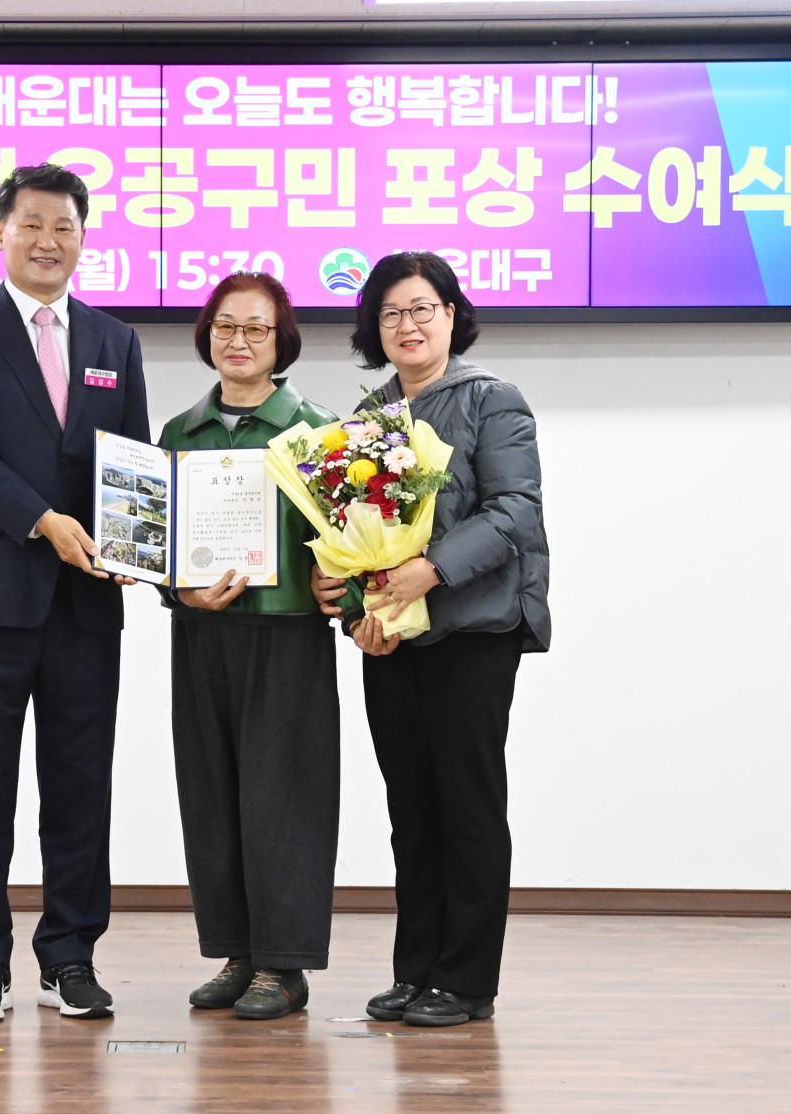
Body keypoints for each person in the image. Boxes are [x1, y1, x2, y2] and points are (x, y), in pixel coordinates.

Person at [0, 163, 150, 1025]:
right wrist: (45, 521)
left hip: (87, 601)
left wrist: (139, 546)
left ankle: (70, 958)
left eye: (65, 227)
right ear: (0, 232)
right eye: (32, 225)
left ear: (84, 239)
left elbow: (131, 459)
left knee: (81, 788)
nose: (48, 242)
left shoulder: (114, 340)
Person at [312, 251, 550, 1028]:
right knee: (411, 809)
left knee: (467, 806)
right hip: (395, 639)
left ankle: (468, 980)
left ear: (452, 314)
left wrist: (430, 571)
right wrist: (358, 613)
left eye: (421, 308)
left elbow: (514, 513)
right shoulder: (365, 418)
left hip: (473, 631)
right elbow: (350, 532)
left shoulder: (492, 400)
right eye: (390, 313)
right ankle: (416, 971)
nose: (406, 325)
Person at [157, 273, 341, 1021]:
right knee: (213, 795)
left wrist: (340, 583)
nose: (238, 341)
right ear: (207, 336)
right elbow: (155, 545)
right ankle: (238, 952)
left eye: (255, 328)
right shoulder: (178, 433)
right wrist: (180, 591)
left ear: (280, 340)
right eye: (225, 327)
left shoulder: (317, 430)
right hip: (203, 634)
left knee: (284, 800)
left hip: (287, 634)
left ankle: (284, 965)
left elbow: (352, 541)